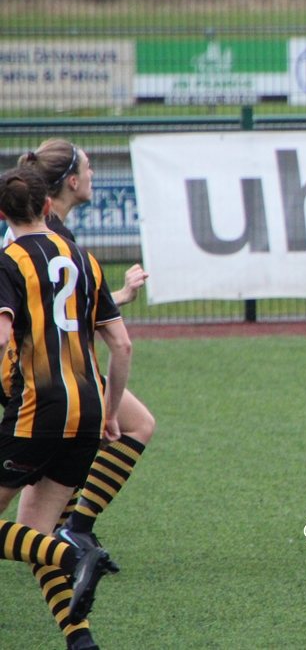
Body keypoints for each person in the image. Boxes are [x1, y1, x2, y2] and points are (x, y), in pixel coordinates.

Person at [13, 140, 155, 650]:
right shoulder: (55, 241)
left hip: (43, 388)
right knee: (38, 529)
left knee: (35, 530)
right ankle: (75, 545)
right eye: (88, 167)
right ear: (70, 182)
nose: (93, 173)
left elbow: (53, 311)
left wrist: (119, 298)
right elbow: (74, 318)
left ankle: (75, 542)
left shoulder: (36, 240)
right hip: (65, 387)